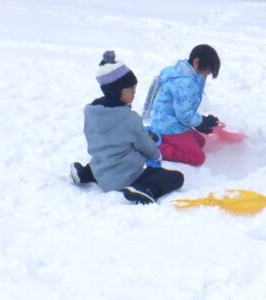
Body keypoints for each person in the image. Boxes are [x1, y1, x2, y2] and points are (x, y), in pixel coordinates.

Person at [70, 51, 184, 205]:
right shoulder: (129, 118)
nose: (134, 92)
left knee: (105, 157)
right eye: (130, 89)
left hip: (100, 170)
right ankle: (144, 189)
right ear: (116, 90)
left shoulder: (91, 112)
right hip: (126, 177)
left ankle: (84, 174)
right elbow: (144, 145)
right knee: (176, 177)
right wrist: (156, 155)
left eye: (134, 87)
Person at [148, 44, 221, 166]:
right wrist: (202, 121)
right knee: (197, 157)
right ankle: (156, 148)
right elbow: (184, 114)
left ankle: (160, 138)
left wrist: (200, 124)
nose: (206, 75)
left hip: (173, 121)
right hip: (168, 127)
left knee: (200, 141)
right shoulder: (184, 83)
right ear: (196, 62)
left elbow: (184, 108)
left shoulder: (185, 75)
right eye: (207, 71)